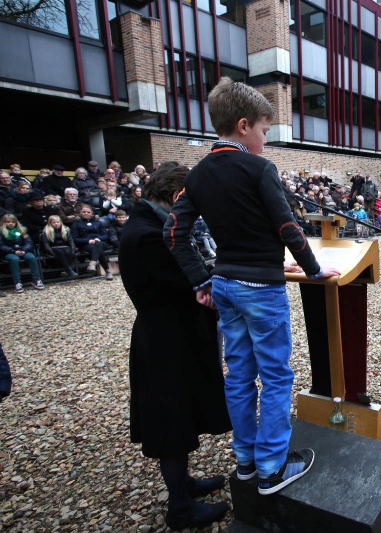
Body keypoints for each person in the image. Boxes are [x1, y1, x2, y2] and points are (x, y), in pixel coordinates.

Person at [163, 78, 340, 500]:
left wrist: (200, 279)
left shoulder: (199, 173)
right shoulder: (260, 169)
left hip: (224, 285)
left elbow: (174, 234)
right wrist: (313, 270)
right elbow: (287, 227)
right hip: (260, 289)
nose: (265, 140)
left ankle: (244, 459)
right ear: (244, 126)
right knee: (277, 377)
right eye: (263, 131)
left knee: (240, 376)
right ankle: (272, 467)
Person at [118, 162, 232, 530]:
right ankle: (180, 509)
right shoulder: (148, 235)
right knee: (171, 423)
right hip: (165, 341)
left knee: (182, 415)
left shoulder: (151, 225)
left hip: (172, 334)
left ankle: (184, 484)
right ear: (175, 196)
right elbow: (187, 283)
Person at [0, 214, 45, 292]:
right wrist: (13, 251)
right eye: (8, 222)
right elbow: (1, 245)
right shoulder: (1, 232)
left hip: (22, 250)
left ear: (16, 222)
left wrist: (24, 249)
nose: (10, 223)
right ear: (3, 223)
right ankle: (17, 282)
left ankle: (36, 279)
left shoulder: (22, 230)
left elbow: (29, 242)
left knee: (31, 257)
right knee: (14, 259)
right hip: (9, 252)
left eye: (12, 222)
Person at [72, 204, 113, 280]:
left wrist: (98, 238)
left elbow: (105, 236)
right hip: (85, 244)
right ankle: (108, 272)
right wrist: (88, 240)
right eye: (84, 212)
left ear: (92, 213)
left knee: (99, 244)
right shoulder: (76, 224)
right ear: (80, 212)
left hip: (99, 242)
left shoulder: (98, 223)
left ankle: (93, 264)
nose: (86, 213)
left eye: (88, 212)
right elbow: (75, 239)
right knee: (99, 250)